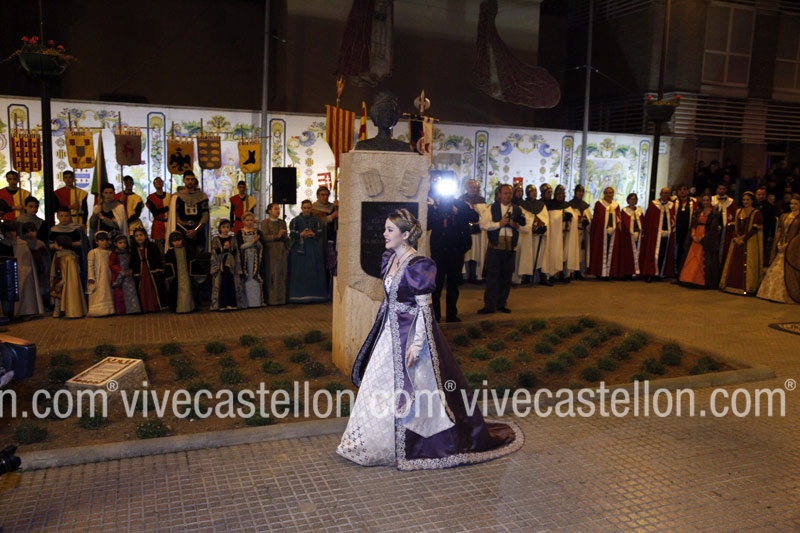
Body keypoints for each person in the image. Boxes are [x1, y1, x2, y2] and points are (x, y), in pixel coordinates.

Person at [337, 208, 522, 470]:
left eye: (390, 230)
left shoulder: (419, 266)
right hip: (388, 336)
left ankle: (415, 444)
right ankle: (371, 443)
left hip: (411, 337)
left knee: (419, 391)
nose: (384, 234)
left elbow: (425, 311)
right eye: (385, 229)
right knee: (376, 385)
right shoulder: (389, 258)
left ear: (405, 235)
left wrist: (416, 346)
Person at [427, 178, 477, 322]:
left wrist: (458, 211)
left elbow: (475, 217)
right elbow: (427, 225)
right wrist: (435, 211)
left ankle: (451, 314)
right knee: (437, 283)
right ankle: (435, 315)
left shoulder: (460, 204)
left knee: (453, 283)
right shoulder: (435, 205)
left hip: (456, 249)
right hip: (439, 250)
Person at [477, 184, 526, 314]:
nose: (507, 196)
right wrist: (499, 224)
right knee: (492, 277)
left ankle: (502, 303)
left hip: (510, 249)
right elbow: (483, 225)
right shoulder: (492, 208)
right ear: (499, 195)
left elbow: (526, 227)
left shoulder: (517, 209)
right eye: (505, 193)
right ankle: (489, 305)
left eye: (510, 193)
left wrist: (515, 226)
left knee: (506, 277)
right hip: (495, 248)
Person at [757, 194, 800, 303]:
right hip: (782, 245)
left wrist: (789, 245)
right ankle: (770, 293)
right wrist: (779, 243)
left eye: (796, 204)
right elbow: (780, 230)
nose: (793, 206)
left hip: (793, 249)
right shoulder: (784, 216)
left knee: (789, 271)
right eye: (792, 203)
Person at [720, 191, 763, 295]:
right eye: (744, 200)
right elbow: (734, 226)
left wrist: (743, 238)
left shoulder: (756, 213)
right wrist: (735, 237)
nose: (745, 202)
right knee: (734, 263)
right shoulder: (738, 211)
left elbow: (755, 229)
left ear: (752, 201)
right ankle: (731, 285)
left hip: (749, 242)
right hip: (737, 241)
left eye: (748, 200)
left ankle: (747, 287)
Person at [0, 221, 43, 320]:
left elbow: (27, 260)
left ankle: (26, 311)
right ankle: (9, 313)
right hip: (7, 272)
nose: (11, 234)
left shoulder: (22, 244)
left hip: (23, 271)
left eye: (13, 231)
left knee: (25, 292)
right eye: (8, 232)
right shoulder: (2, 244)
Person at [678, 194, 722, 289]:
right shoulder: (698, 212)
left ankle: (700, 280)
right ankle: (688, 278)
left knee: (703, 258)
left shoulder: (714, 213)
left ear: (710, 201)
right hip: (696, 236)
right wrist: (693, 235)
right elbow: (693, 224)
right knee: (691, 257)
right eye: (704, 200)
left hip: (706, 238)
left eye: (707, 200)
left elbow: (713, 228)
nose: (705, 202)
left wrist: (703, 237)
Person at [288, 200, 327, 303]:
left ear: (311, 208)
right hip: (299, 250)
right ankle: (299, 295)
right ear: (301, 208)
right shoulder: (295, 220)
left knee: (313, 271)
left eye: (308, 208)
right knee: (300, 271)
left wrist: (313, 234)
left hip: (313, 249)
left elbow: (320, 233)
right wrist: (300, 234)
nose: (306, 210)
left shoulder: (317, 220)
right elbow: (292, 234)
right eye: (304, 208)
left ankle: (315, 295)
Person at [49, 206, 90, 290]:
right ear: (58, 217)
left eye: (66, 216)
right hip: (58, 259)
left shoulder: (76, 229)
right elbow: (49, 245)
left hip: (73, 259)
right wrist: (54, 246)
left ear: (70, 216)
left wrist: (73, 244)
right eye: (61, 216)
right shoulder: (53, 230)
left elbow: (84, 244)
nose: (64, 218)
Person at [639, 187, 676, 281]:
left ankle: (661, 273)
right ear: (660, 194)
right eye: (663, 192)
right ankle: (650, 273)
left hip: (667, 234)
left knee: (663, 253)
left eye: (667, 193)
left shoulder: (672, 205)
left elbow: (673, 218)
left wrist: (670, 229)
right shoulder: (654, 204)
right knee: (653, 254)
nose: (665, 194)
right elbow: (649, 220)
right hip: (655, 235)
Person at [169, 170, 209, 253]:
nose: (190, 181)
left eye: (192, 179)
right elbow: (175, 215)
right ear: (184, 180)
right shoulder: (177, 197)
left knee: (199, 254)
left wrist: (196, 230)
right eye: (188, 179)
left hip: (198, 231)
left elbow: (205, 214)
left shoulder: (202, 196)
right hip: (182, 230)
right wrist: (185, 230)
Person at [129, 227, 168, 312]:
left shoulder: (152, 246)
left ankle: (155, 306)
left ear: (145, 236)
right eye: (137, 236)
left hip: (152, 271)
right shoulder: (133, 249)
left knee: (154, 288)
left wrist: (159, 269)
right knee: (142, 289)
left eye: (141, 235)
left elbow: (158, 259)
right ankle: (144, 307)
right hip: (140, 271)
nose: (139, 237)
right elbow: (132, 262)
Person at [210, 219, 245, 310]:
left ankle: (232, 303)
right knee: (222, 284)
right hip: (220, 265)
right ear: (220, 228)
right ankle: (222, 304)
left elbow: (236, 251)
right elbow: (214, 252)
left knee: (231, 284)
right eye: (223, 227)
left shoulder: (233, 239)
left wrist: (229, 248)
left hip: (231, 266)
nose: (225, 229)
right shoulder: (215, 239)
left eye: (227, 227)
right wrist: (223, 248)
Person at [50, 234, 86, 319]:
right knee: (58, 295)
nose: (54, 245)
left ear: (61, 246)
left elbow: (76, 269)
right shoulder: (59, 255)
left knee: (61, 295)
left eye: (55, 243)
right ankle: (58, 311)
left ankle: (65, 310)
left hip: (65, 279)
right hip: (59, 278)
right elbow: (53, 266)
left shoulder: (71, 256)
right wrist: (52, 275)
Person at [589, 186, 622, 279]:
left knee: (611, 251)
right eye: (606, 192)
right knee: (600, 251)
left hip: (613, 232)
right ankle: (600, 272)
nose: (608, 194)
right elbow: (597, 219)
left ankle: (609, 272)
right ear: (604, 194)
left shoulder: (616, 205)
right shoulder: (599, 204)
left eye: (610, 192)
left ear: (613, 194)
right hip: (601, 232)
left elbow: (618, 217)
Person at [459, 179, 488, 283]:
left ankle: (475, 275)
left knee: (476, 254)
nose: (473, 189)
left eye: (475, 188)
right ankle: (463, 276)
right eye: (471, 187)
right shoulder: (461, 200)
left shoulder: (481, 201)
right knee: (466, 255)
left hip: (477, 232)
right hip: (465, 232)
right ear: (467, 188)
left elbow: (484, 216)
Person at [260, 203, 289, 305]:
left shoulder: (282, 222)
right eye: (275, 209)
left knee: (282, 272)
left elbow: (285, 238)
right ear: (269, 211)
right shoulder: (265, 223)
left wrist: (285, 238)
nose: (278, 211)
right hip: (271, 250)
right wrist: (277, 235)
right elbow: (264, 237)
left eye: (279, 209)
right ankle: (272, 299)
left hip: (281, 250)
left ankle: (282, 298)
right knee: (272, 272)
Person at [541, 184, 571, 284]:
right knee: (554, 253)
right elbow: (550, 220)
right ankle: (552, 274)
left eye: (562, 193)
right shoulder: (550, 205)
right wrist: (560, 218)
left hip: (565, 234)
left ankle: (562, 274)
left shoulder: (567, 205)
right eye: (558, 194)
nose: (560, 196)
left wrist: (570, 217)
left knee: (564, 253)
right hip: (554, 235)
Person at [521, 184, 548, 284]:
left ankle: (541, 276)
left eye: (535, 191)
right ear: (527, 193)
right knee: (527, 255)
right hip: (528, 235)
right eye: (532, 191)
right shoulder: (523, 205)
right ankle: (527, 276)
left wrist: (543, 226)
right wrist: (531, 226)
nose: (534, 193)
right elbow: (524, 218)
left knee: (540, 256)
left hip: (539, 236)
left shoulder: (541, 205)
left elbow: (545, 217)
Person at [109, 234, 141, 315]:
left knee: (132, 291)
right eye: (120, 243)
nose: (123, 245)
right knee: (120, 294)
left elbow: (132, 262)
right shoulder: (114, 254)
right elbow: (111, 264)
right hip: (119, 276)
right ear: (115, 244)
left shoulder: (129, 253)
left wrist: (131, 270)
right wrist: (120, 271)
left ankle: (133, 309)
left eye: (124, 243)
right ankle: (122, 310)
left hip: (129, 275)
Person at [165, 231, 196, 313]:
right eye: (174, 241)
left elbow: (193, 261)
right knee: (177, 291)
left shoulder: (188, 250)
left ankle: (188, 307)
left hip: (186, 273)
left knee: (187, 290)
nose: (176, 242)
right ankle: (178, 307)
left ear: (182, 240)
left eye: (178, 240)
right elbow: (168, 265)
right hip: (176, 276)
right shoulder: (170, 252)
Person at [86, 231, 115, 317]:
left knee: (107, 291)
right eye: (101, 240)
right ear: (96, 241)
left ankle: (109, 309)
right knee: (98, 292)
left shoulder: (109, 252)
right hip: (97, 276)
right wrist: (91, 276)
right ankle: (97, 310)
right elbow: (90, 265)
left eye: (106, 240)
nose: (104, 242)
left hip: (107, 275)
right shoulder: (93, 252)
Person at [21, 221, 50, 307]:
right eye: (27, 232)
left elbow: (46, 259)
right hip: (27, 270)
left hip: (40, 270)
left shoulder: (40, 244)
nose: (30, 234)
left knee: (41, 287)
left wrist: (46, 269)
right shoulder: (22, 244)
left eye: (32, 231)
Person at [237, 212, 263, 307]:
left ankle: (256, 301)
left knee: (255, 276)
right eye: (247, 220)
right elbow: (240, 246)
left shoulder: (257, 232)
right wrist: (252, 242)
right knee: (246, 276)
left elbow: (261, 246)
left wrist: (257, 243)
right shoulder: (240, 232)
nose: (249, 222)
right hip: (245, 257)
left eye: (251, 220)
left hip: (255, 256)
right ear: (243, 221)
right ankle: (246, 302)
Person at [671, 183, 698, 272]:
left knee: (686, 249)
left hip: (688, 230)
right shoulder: (673, 201)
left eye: (684, 189)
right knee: (675, 249)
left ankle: (685, 270)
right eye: (680, 190)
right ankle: (675, 269)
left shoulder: (693, 202)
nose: (682, 191)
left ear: (688, 191)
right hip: (676, 230)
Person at [567, 184, 591, 279]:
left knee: (581, 253)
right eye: (578, 191)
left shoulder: (585, 205)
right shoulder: (570, 205)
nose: (580, 193)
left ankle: (580, 272)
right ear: (575, 192)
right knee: (573, 251)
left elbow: (590, 218)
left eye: (582, 192)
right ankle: (570, 272)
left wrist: (587, 223)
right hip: (574, 232)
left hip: (583, 232)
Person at [618, 193, 643, 279]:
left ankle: (637, 272)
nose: (632, 201)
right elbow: (624, 223)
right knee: (628, 255)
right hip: (628, 237)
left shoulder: (639, 211)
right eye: (631, 199)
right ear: (628, 200)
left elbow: (642, 222)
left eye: (634, 199)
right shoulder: (624, 211)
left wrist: (639, 232)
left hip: (639, 236)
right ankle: (628, 272)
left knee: (638, 253)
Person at [712, 182, 737, 263]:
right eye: (720, 189)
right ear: (717, 189)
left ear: (726, 190)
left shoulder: (731, 201)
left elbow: (733, 215)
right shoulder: (712, 200)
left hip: (725, 228)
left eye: (723, 189)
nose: (722, 190)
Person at [753, 186, 777, 266]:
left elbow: (772, 222)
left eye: (763, 194)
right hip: (751, 230)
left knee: (762, 248)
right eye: (759, 194)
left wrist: (772, 234)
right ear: (755, 195)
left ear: (766, 195)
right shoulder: (752, 205)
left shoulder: (770, 207)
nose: (761, 196)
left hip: (764, 231)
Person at [146, 177, 171, 251]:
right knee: (158, 246)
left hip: (169, 222)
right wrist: (166, 208)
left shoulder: (170, 196)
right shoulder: (151, 198)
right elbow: (155, 212)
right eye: (156, 181)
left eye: (160, 181)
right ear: (154, 184)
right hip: (158, 223)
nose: (159, 182)